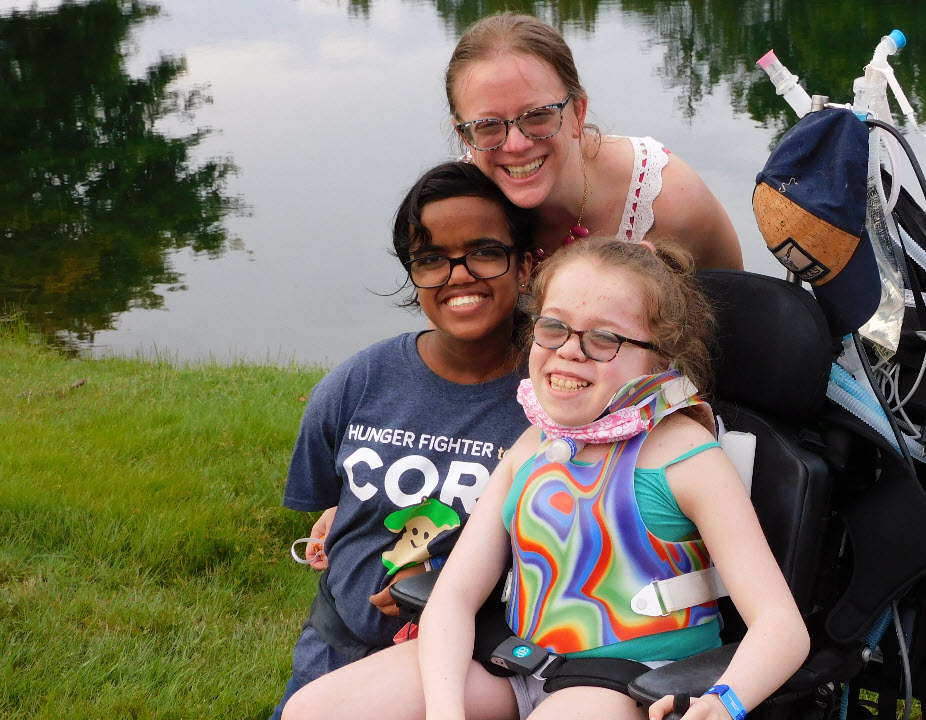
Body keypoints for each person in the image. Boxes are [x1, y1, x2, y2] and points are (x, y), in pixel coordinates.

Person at [283, 237, 809, 720]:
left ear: (661, 357)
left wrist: (725, 700)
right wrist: (445, 710)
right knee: (314, 708)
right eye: (553, 327)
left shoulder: (688, 459)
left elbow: (782, 629)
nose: (569, 350)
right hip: (515, 663)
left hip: (628, 687)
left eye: (604, 338)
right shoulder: (534, 445)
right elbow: (455, 596)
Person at [270, 161, 536, 718]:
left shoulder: (550, 400)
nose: (458, 274)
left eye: (485, 251)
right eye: (432, 259)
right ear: (412, 275)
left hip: (472, 674)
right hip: (332, 654)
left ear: (527, 264)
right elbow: (333, 500)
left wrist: (452, 585)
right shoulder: (358, 382)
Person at [445, 12, 743, 271]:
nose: (516, 145)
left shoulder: (667, 199)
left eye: (537, 116)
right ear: (464, 135)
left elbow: (743, 322)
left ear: (577, 112)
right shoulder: (452, 209)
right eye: (488, 125)